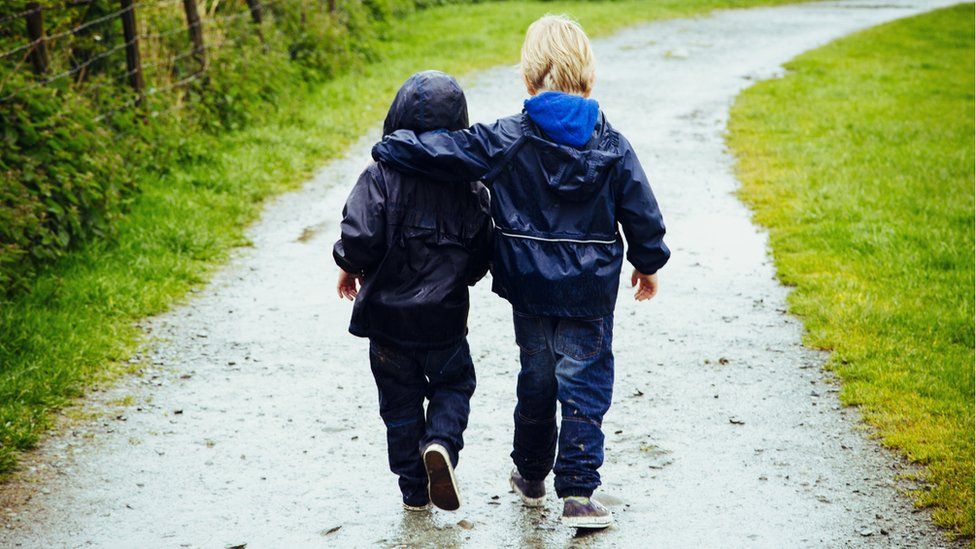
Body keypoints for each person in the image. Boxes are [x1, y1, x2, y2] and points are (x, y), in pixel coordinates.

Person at [371, 15, 670, 529]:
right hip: (589, 295)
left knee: (536, 379)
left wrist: (393, 146)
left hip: (529, 289)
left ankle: (530, 476)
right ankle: (577, 492)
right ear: (590, 80)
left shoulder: (508, 137)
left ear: (528, 81)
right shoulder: (612, 145)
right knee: (585, 386)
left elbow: (448, 152)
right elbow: (642, 212)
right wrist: (648, 262)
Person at [333, 70, 492, 512]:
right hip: (444, 324)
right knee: (455, 384)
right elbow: (480, 257)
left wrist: (347, 265)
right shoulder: (471, 187)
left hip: (387, 325)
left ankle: (412, 491)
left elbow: (360, 238)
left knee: (399, 407)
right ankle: (440, 442)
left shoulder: (379, 176)